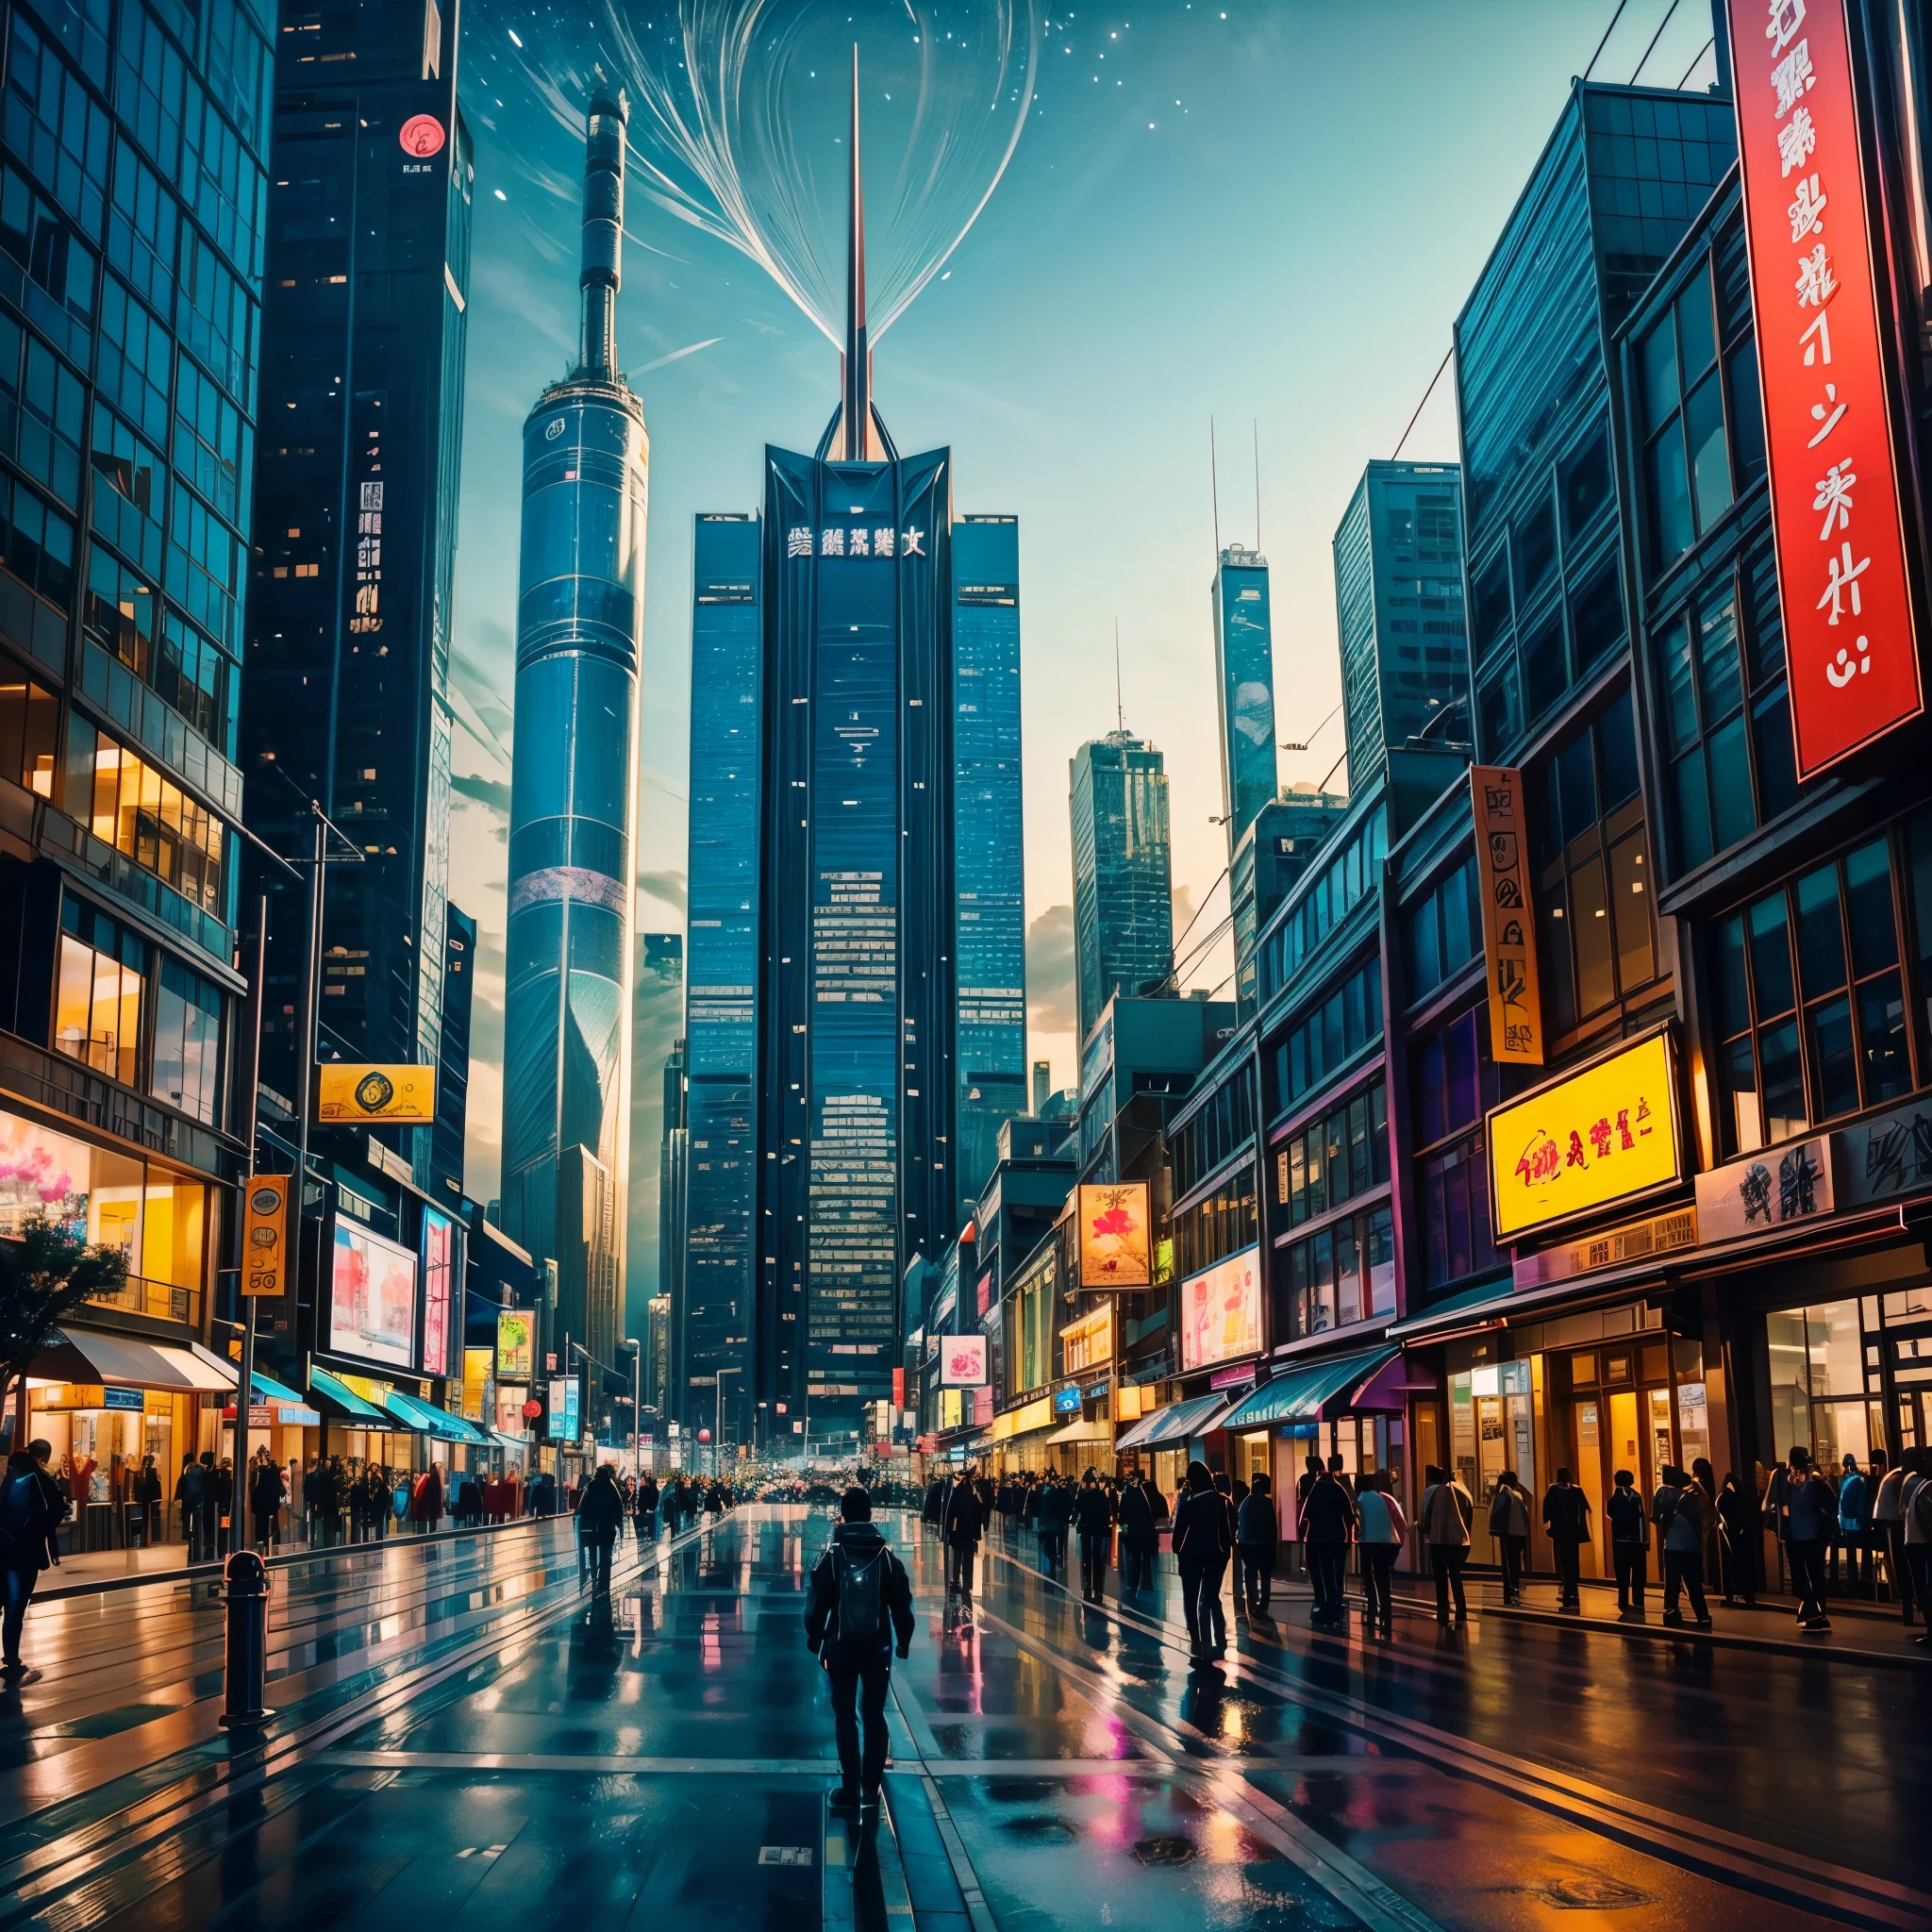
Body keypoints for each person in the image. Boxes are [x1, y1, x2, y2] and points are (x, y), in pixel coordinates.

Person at [805, 1487, 915, 1815]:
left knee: (845, 1717)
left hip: (839, 1647)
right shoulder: (886, 1556)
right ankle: (872, 1785)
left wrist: (815, 1636)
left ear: (843, 1513)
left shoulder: (832, 1554)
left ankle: (850, 1789)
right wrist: (903, 1641)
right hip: (877, 1647)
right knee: (874, 1715)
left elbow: (817, 1602)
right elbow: (901, 1603)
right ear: (870, 1514)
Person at [0, 1442, 67, 1685]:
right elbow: (55, 1510)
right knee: (14, 1610)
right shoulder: (40, 1481)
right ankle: (11, 1661)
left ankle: (11, 1661)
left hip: (7, 1553)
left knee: (9, 1608)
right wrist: (34, 1536)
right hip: (23, 1556)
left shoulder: (11, 1480)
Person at [1171, 1461, 1230, 1660]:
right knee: (1211, 1597)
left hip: (1191, 1557)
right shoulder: (1222, 1502)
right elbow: (1230, 1531)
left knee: (1191, 1599)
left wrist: (1178, 1551)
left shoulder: (1189, 1505)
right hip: (1216, 1556)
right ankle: (1219, 1635)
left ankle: (1197, 1641)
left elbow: (1178, 1535)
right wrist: (1225, 1552)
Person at [1776, 1446, 1834, 1630]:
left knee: (1813, 1577)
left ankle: (1817, 1614)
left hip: (1813, 1536)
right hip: (1797, 1536)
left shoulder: (1814, 1479)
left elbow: (1832, 1503)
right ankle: (1816, 1613)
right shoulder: (1789, 1482)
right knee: (1803, 1580)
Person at [1300, 1457, 1357, 1626]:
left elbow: (1306, 1516)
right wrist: (1348, 1536)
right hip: (1338, 1539)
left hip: (1319, 1539)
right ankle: (1336, 1609)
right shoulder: (1340, 1489)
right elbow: (1349, 1517)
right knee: (1337, 1575)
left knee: (1325, 1575)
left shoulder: (1315, 1489)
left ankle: (1325, 1608)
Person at [1655, 1465, 1712, 1628]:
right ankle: (1704, 1616)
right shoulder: (1692, 1499)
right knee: (1694, 1584)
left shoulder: (1664, 1494)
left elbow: (1657, 1519)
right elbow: (1704, 1510)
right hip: (1692, 1547)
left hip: (1672, 1546)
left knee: (1672, 1583)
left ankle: (1672, 1612)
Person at [1420, 1464, 1473, 1625]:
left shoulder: (1433, 1492)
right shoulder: (1460, 1492)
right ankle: (1461, 1608)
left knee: (1440, 1577)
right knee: (1455, 1575)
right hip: (1455, 1541)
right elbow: (1467, 1516)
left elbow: (1426, 1516)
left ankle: (1442, 1610)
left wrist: (1425, 1529)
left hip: (1437, 1540)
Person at [1356, 1472, 1406, 1634]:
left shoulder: (1361, 1499)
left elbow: (1360, 1523)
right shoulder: (1379, 1498)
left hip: (1370, 1542)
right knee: (1383, 1578)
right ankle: (1386, 1613)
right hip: (1388, 1542)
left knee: (1369, 1578)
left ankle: (1372, 1612)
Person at [1541, 1466, 1591, 1611]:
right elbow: (1584, 1508)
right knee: (1573, 1562)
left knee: (1562, 1562)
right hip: (1574, 1533)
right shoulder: (1577, 1490)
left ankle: (1566, 1592)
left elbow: (1547, 1510)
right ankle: (1575, 1593)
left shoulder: (1553, 1490)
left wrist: (1549, 1525)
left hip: (1559, 1532)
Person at [1873, 1455, 1913, 1624]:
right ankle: (1909, 1610)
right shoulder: (1902, 1478)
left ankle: (1907, 1610)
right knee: (1906, 1566)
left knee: (1899, 1565)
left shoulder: (1892, 1476)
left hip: (1889, 1521)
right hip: (1899, 1523)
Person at [1605, 1468, 1648, 1614]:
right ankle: (1638, 1601)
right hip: (1637, 1541)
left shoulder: (1615, 1497)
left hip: (1620, 1540)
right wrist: (1644, 1541)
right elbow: (1642, 1517)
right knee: (1638, 1575)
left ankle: (1623, 1602)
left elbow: (1610, 1512)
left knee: (1622, 1575)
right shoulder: (1637, 1496)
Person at [576, 1463, 625, 1591]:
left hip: (592, 1527)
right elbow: (618, 1507)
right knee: (606, 1554)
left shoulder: (591, 1486)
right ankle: (604, 1580)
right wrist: (620, 1525)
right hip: (607, 1527)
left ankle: (593, 1575)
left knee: (592, 1550)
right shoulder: (610, 1487)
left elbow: (582, 1507)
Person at [1237, 1473, 1279, 1615]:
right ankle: (1264, 1604)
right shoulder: (1267, 1503)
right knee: (1265, 1576)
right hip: (1265, 1545)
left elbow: (1241, 1525)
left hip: (1248, 1545)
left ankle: (1252, 1600)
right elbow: (1273, 1527)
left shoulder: (1246, 1503)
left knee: (1250, 1572)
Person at [1489, 1471, 1532, 1606]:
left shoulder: (1503, 1494)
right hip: (1519, 1534)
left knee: (1509, 1565)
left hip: (1509, 1534)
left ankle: (1511, 1593)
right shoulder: (1514, 1495)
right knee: (1515, 1565)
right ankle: (1514, 1591)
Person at [944, 1467, 986, 1600]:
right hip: (970, 1533)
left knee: (957, 1556)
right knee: (968, 1559)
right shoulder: (974, 1493)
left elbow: (950, 1512)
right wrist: (977, 1534)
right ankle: (967, 1584)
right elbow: (979, 1513)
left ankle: (955, 1580)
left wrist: (948, 1529)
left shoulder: (956, 1492)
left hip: (958, 1532)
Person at [1835, 1453, 1872, 1597]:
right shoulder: (1861, 1479)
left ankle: (1853, 1583)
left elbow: (1842, 1502)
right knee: (1864, 1550)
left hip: (1849, 1521)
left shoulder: (1847, 1479)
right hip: (1859, 1519)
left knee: (1851, 1553)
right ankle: (1864, 1580)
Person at [1117, 1469, 1156, 1591]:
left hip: (1133, 1531)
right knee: (1143, 1559)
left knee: (1134, 1558)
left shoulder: (1127, 1494)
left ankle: (1133, 1584)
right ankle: (1142, 1583)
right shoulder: (1143, 1493)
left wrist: (1123, 1525)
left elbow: (1123, 1513)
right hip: (1144, 1531)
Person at [249, 1449, 283, 1553]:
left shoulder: (260, 1471)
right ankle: (271, 1549)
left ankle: (265, 1550)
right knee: (271, 1529)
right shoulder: (273, 1471)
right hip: (270, 1505)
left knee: (264, 1531)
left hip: (262, 1506)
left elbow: (254, 1489)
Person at [130, 1456, 161, 1548]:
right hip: (150, 1499)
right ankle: (148, 1539)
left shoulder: (139, 1472)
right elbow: (155, 1485)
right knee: (149, 1519)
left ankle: (142, 1540)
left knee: (142, 1519)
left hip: (141, 1499)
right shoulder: (152, 1472)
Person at [635, 1473, 660, 1541]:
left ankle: (648, 1536)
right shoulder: (648, 1488)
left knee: (647, 1523)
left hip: (646, 1509)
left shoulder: (645, 1488)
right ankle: (650, 1536)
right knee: (650, 1524)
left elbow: (644, 1499)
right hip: (649, 1509)